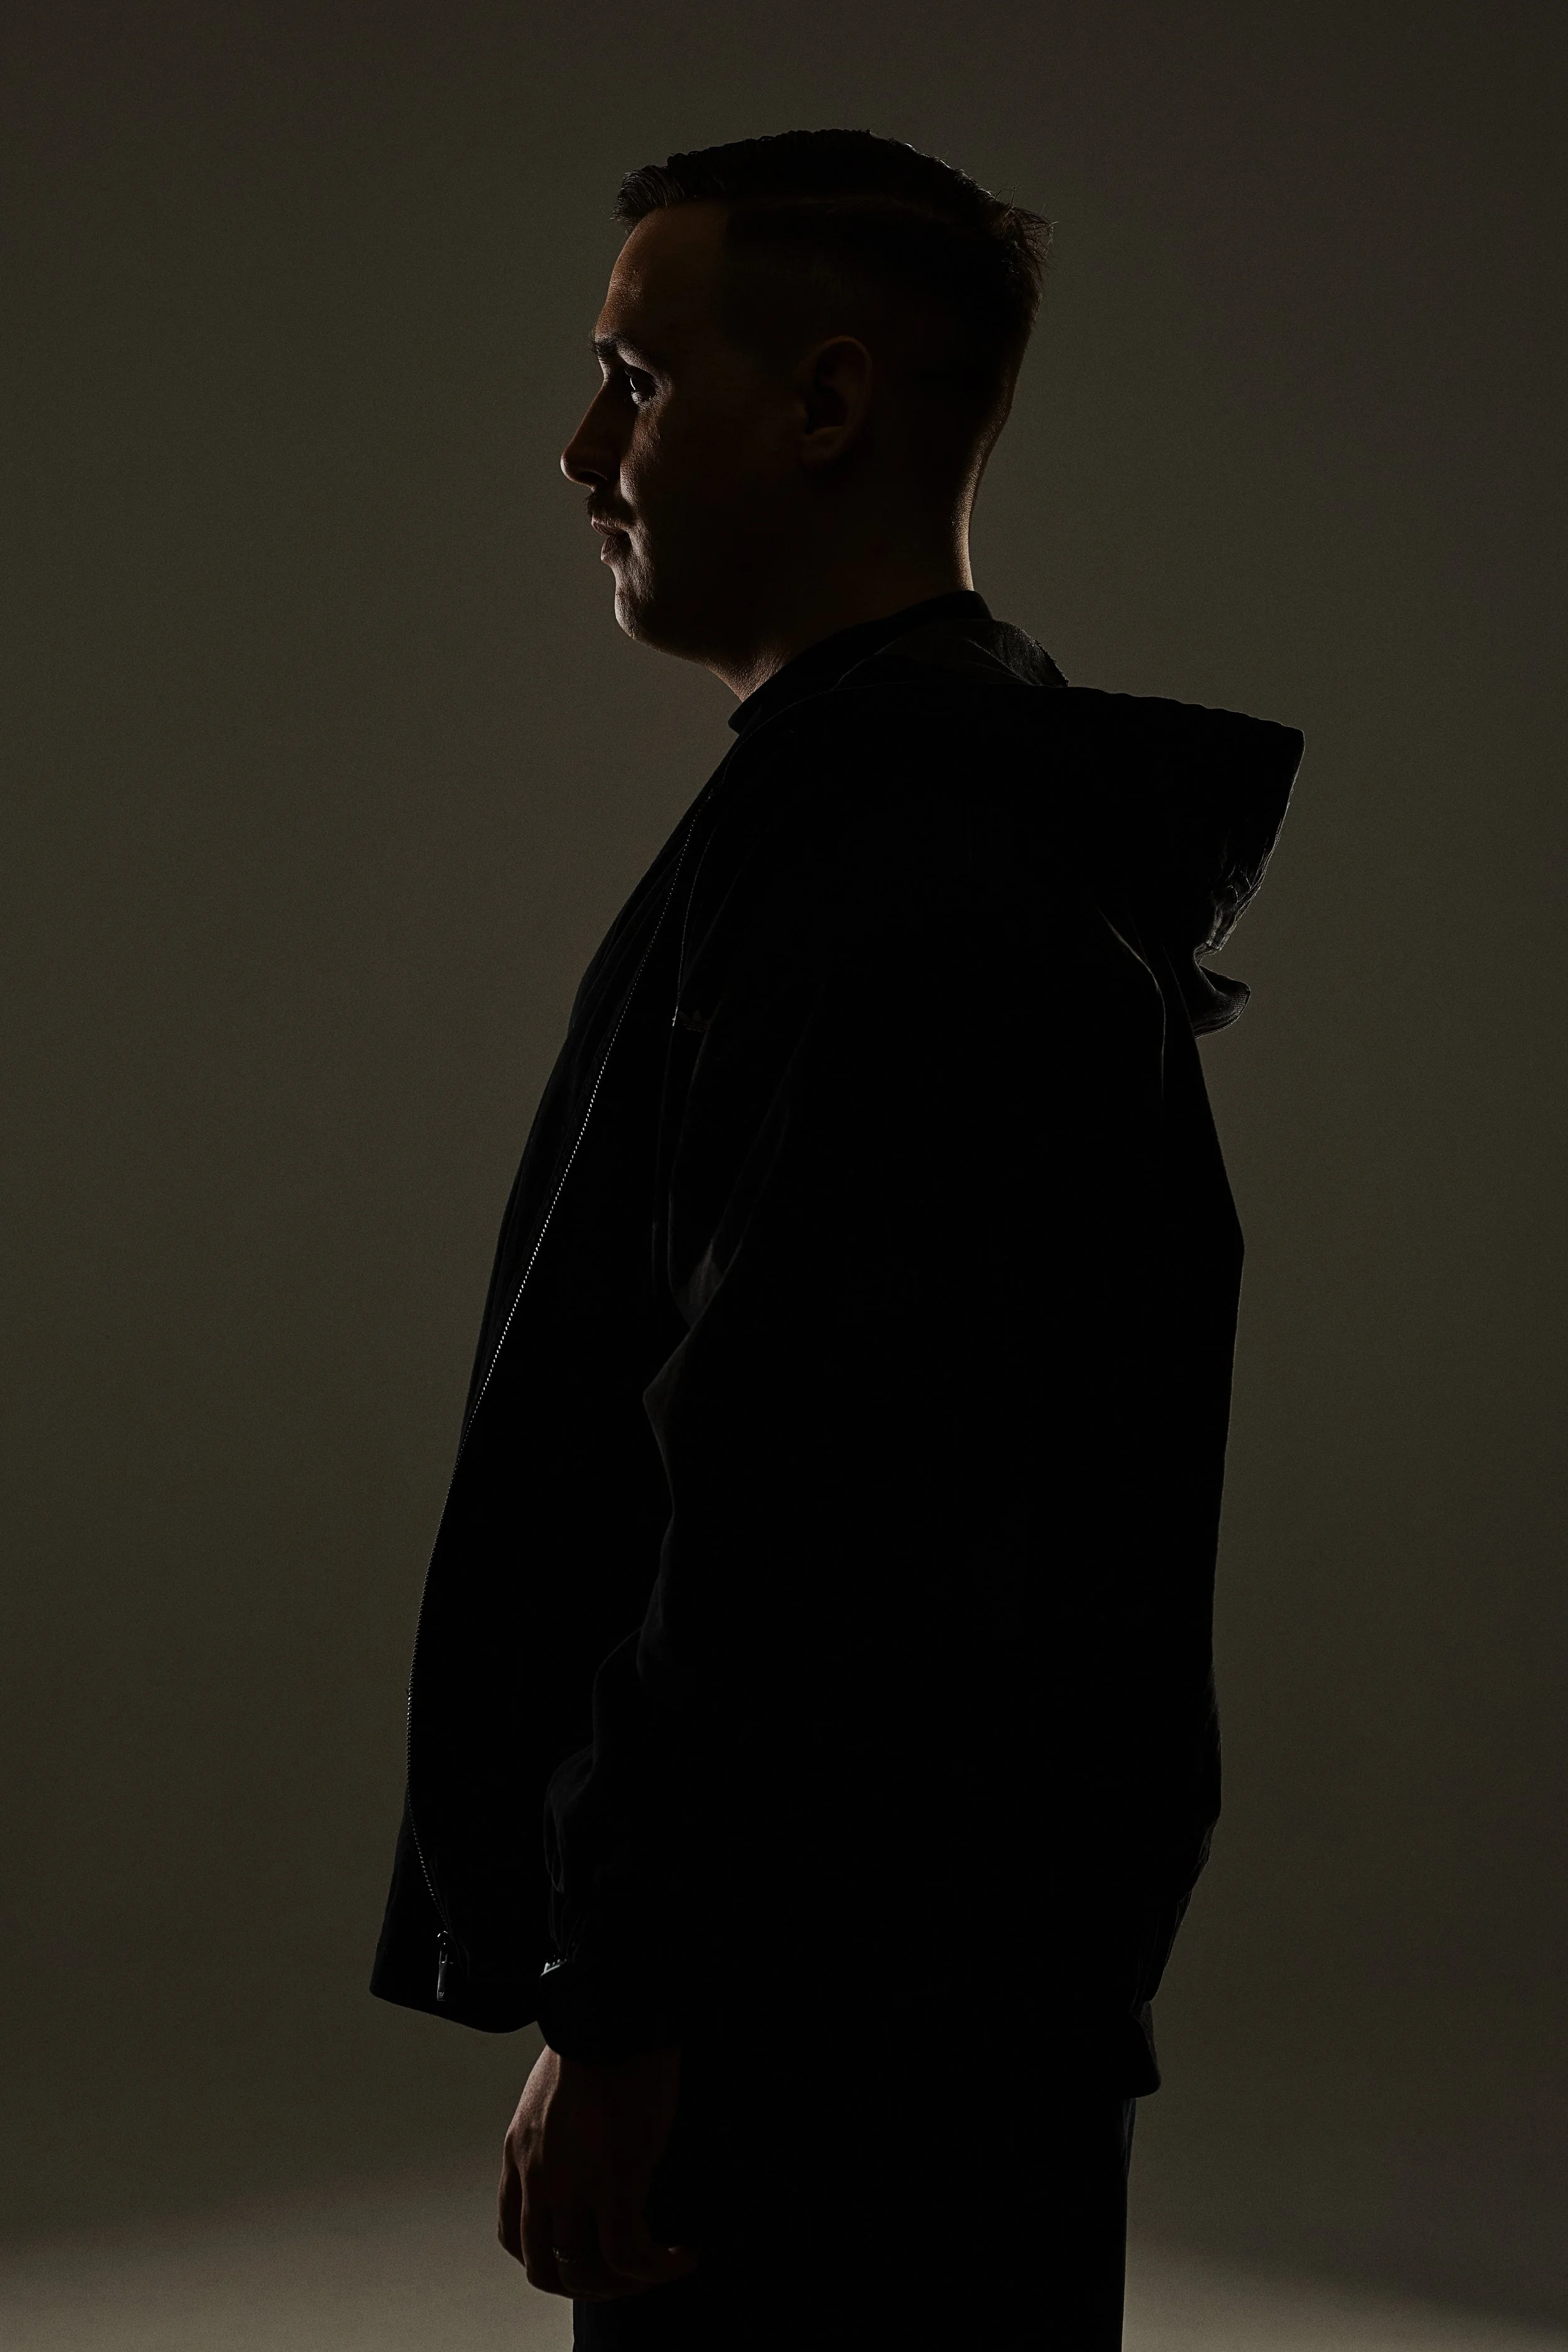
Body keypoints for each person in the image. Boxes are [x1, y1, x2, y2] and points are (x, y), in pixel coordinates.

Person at [371, 129, 1302, 2348]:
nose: (581, 447)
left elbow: (799, 1492)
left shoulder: (895, 878)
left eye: (633, 375)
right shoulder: (921, 823)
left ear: (826, 404)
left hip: (842, 2050)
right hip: (900, 2015)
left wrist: (627, 1999)